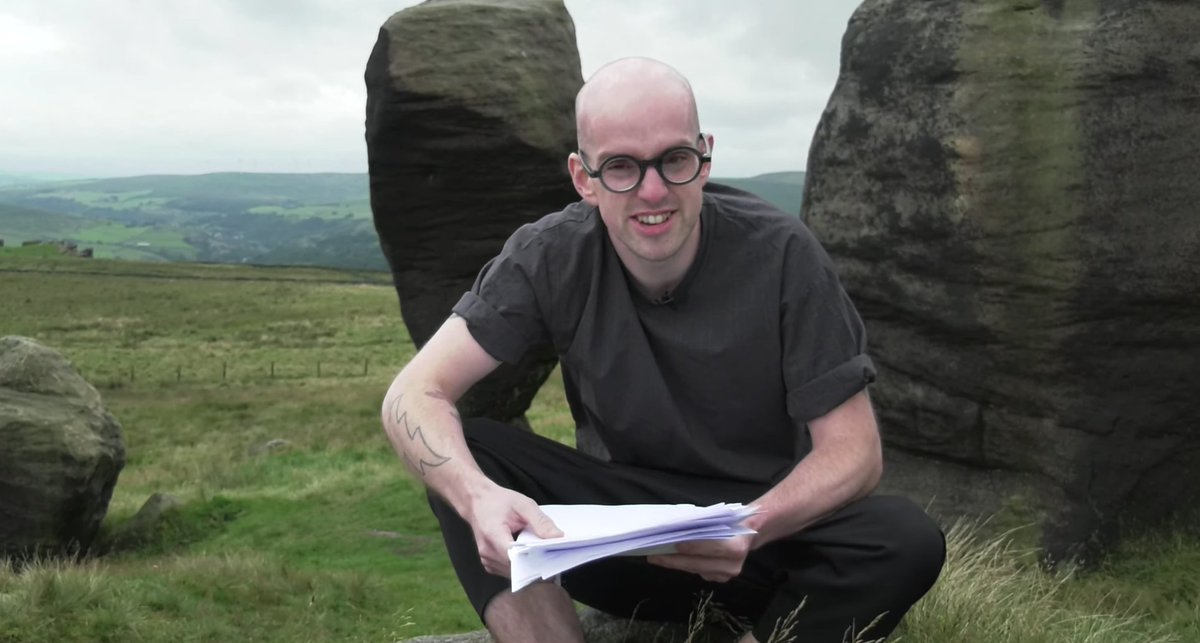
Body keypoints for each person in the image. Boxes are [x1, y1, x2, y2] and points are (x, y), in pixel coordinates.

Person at [381, 57, 945, 643]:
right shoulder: (550, 255)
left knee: (903, 540)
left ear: (705, 157)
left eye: (674, 159)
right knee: (462, 453)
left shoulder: (782, 254)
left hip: (759, 544)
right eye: (621, 166)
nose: (653, 191)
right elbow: (412, 395)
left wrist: (755, 526)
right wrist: (478, 498)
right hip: (621, 546)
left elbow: (856, 452)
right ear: (583, 177)